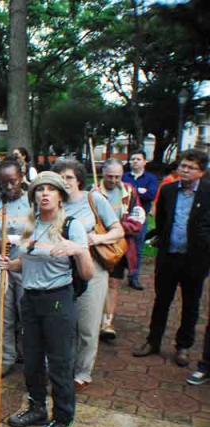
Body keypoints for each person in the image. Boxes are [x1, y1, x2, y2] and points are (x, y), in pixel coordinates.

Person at [0, 172, 94, 427]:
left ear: (61, 196)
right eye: (40, 190)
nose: (45, 194)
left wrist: (80, 250)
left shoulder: (71, 226)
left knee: (60, 362)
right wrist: (9, 265)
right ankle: (37, 408)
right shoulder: (32, 223)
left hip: (57, 299)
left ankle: (63, 419)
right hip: (30, 298)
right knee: (31, 358)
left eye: (51, 189)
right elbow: (25, 261)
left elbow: (86, 274)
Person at [133, 150, 210, 367]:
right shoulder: (167, 191)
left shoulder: (207, 193)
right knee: (161, 300)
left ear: (201, 172)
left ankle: (183, 346)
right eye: (182, 166)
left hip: (195, 259)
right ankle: (153, 341)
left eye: (191, 167)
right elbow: (163, 220)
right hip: (169, 256)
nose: (184, 170)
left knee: (191, 304)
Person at [52, 160, 123, 391]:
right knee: (63, 324)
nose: (65, 182)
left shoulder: (94, 199)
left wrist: (96, 239)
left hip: (91, 269)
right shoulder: (53, 203)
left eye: (69, 177)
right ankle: (62, 367)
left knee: (87, 325)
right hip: (60, 271)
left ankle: (82, 373)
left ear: (79, 179)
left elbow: (118, 230)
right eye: (60, 177)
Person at [0, 159, 30, 378]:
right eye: (4, 183)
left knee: (27, 316)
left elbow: (39, 234)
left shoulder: (34, 201)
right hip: (1, 266)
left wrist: (9, 239)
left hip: (27, 267)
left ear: (22, 176)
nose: (9, 187)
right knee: (3, 316)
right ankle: (6, 358)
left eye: (13, 181)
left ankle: (32, 360)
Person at [96, 159, 145, 341]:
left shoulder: (129, 191)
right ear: (103, 173)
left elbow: (138, 218)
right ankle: (92, 319)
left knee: (113, 284)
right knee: (94, 283)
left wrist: (117, 230)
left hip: (118, 246)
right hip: (96, 247)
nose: (114, 180)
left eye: (117, 176)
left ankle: (107, 322)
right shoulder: (92, 191)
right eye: (110, 176)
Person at [122, 150, 159, 290]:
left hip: (139, 219)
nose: (135, 161)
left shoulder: (150, 178)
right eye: (132, 159)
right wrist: (139, 191)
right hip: (122, 217)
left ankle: (133, 277)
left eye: (138, 159)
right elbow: (121, 193)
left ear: (145, 162)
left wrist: (132, 190)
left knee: (137, 247)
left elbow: (150, 195)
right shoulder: (124, 176)